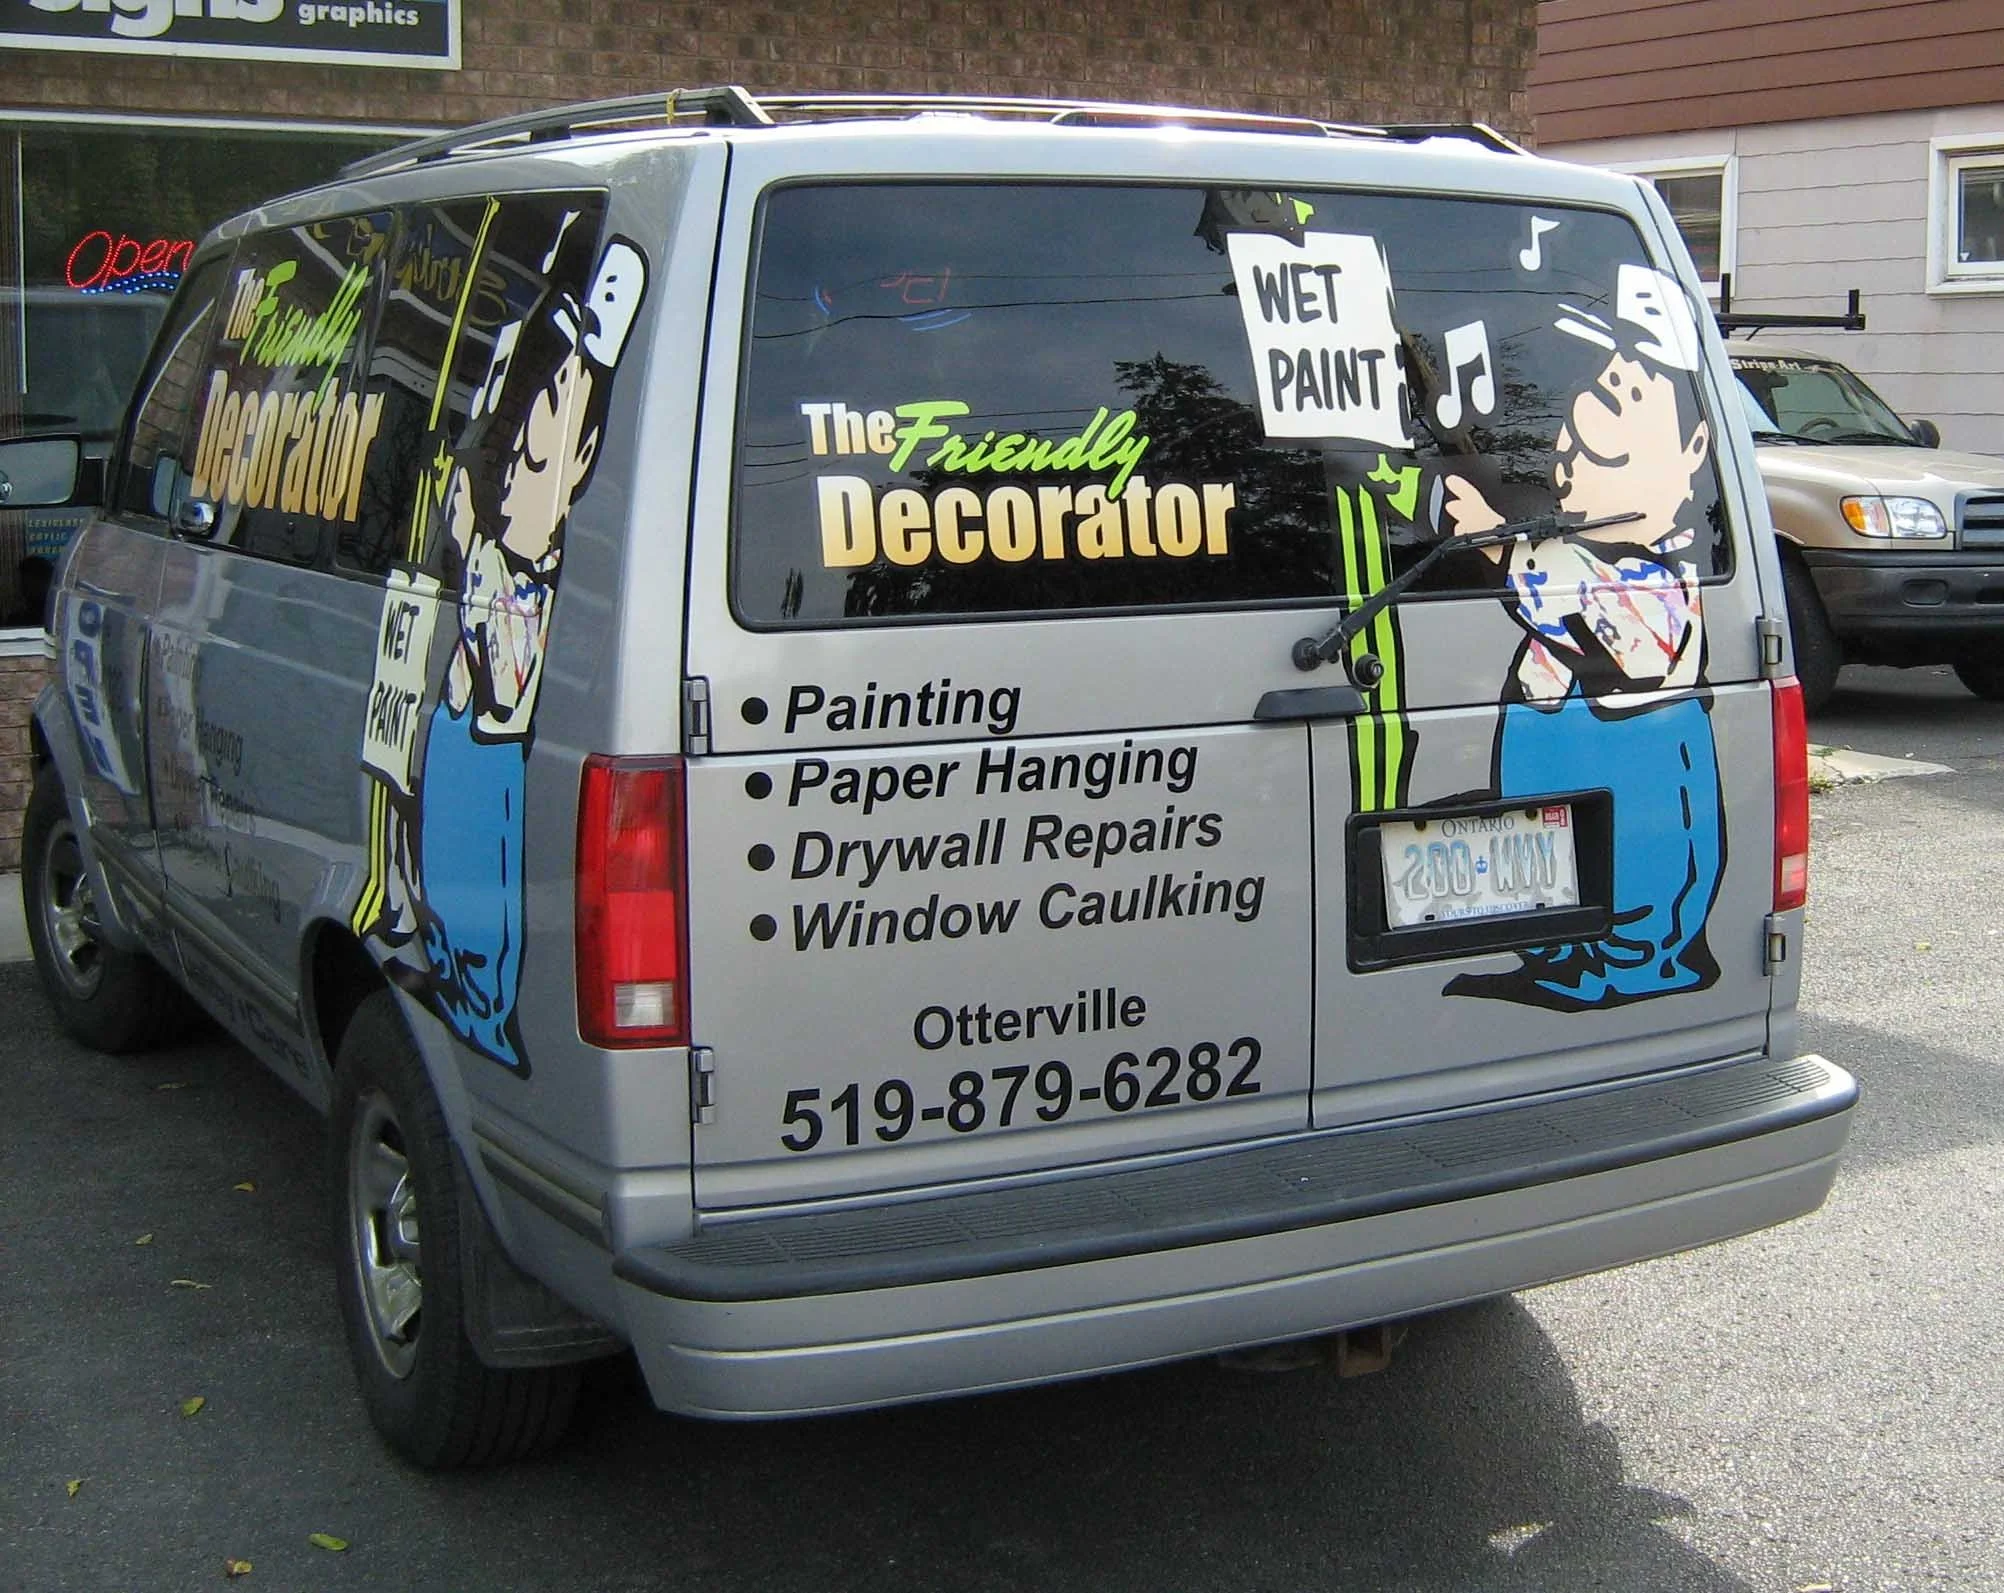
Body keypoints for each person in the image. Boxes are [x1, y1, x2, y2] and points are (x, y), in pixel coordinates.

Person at [1437, 270, 1723, 1010]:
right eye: (1574, 444)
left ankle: (1638, 964)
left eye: (1616, 436)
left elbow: (1612, 629)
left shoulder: (1663, 583)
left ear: (1696, 449)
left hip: (1633, 819)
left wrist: (1501, 550)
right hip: (1558, 811)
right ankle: (1555, 954)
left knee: (1637, 879)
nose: (1578, 444)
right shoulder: (1576, 552)